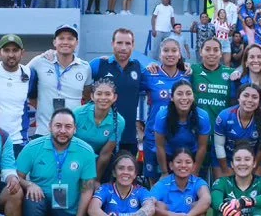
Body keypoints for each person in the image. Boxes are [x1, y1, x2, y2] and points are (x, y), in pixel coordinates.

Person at [15, 108, 98, 216]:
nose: (62, 131)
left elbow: (87, 190)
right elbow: (15, 176)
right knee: (32, 203)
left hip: (67, 210)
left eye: (68, 127)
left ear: (75, 129)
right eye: (58, 125)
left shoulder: (86, 151)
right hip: (40, 201)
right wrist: (29, 184)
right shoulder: (33, 147)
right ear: (49, 126)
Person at [27, 24, 92, 139]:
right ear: (54, 42)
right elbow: (17, 73)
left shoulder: (85, 67)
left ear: (76, 43)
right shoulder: (40, 61)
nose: (65, 42)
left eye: (70, 39)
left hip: (72, 134)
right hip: (44, 131)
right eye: (61, 38)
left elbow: (87, 96)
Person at [141, 37, 189, 180]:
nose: (170, 54)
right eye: (166, 50)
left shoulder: (187, 76)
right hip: (153, 135)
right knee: (154, 181)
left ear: (179, 54)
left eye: (174, 50)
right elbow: (132, 93)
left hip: (179, 135)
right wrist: (138, 122)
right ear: (159, 54)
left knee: (179, 180)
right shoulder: (149, 73)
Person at [90, 28, 143, 155]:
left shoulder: (139, 67)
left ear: (133, 45)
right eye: (119, 43)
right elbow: (84, 88)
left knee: (126, 174)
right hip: (100, 136)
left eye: (128, 43)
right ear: (112, 44)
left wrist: (184, 67)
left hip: (128, 135)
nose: (123, 47)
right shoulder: (98, 64)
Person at [153, 80, 211, 179]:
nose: (184, 98)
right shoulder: (162, 115)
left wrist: (195, 171)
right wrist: (164, 172)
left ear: (193, 97)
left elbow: (202, 147)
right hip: (168, 156)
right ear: (172, 97)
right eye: (179, 94)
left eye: (188, 94)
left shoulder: (203, 116)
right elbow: (160, 146)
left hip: (192, 155)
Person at [214, 83, 261, 176]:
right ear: (238, 98)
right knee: (225, 187)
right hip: (226, 158)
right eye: (245, 96)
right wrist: (226, 170)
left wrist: (253, 169)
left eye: (254, 97)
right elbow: (219, 146)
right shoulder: (224, 116)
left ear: (259, 101)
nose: (249, 100)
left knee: (252, 188)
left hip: (251, 160)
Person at [72, 78, 124, 182]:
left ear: (114, 97)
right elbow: (68, 143)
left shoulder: (119, 121)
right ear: (92, 96)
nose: (103, 98)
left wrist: (95, 180)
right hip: (74, 157)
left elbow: (105, 154)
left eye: (108, 94)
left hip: (97, 161)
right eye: (99, 94)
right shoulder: (77, 113)